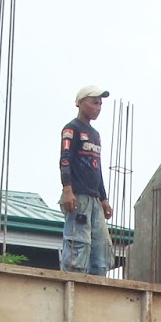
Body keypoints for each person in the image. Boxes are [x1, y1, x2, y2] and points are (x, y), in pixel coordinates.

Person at [59, 85, 113, 276]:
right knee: (78, 242)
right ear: (81, 102)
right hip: (78, 196)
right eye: (94, 102)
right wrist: (68, 190)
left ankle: (97, 288)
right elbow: (65, 159)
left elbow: (96, 168)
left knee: (101, 248)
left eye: (100, 104)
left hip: (94, 198)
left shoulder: (95, 135)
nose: (98, 108)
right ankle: (72, 283)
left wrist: (104, 198)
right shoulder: (71, 129)